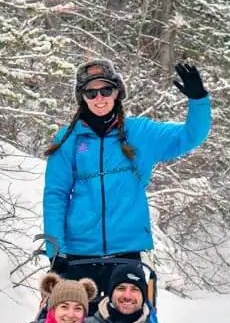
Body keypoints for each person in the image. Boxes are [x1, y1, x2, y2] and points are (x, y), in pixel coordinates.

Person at [42, 59, 212, 299]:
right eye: (91, 92)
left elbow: (190, 136)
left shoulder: (140, 133)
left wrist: (198, 100)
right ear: (82, 97)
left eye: (105, 90)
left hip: (126, 254)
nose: (99, 98)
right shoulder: (68, 139)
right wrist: (55, 249)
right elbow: (55, 195)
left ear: (117, 92)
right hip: (77, 255)